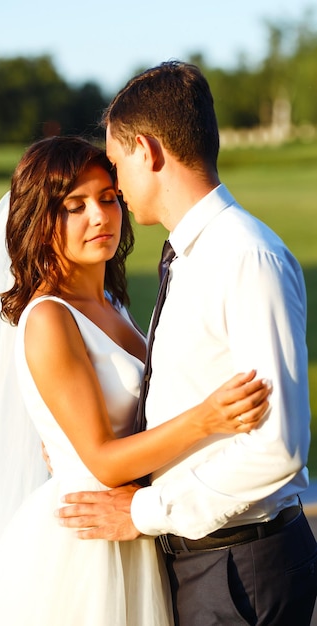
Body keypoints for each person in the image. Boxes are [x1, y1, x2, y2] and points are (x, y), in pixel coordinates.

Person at [0, 136, 270, 626]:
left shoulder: (111, 306)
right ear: (40, 223)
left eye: (107, 198)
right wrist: (207, 418)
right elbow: (101, 460)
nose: (100, 217)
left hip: (135, 527)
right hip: (88, 546)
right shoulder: (49, 319)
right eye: (74, 206)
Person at [57, 63, 317, 625]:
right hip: (204, 557)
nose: (117, 185)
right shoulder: (190, 254)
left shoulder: (245, 257)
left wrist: (145, 511)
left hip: (238, 565)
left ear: (147, 151)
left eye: (117, 162)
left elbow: (279, 446)